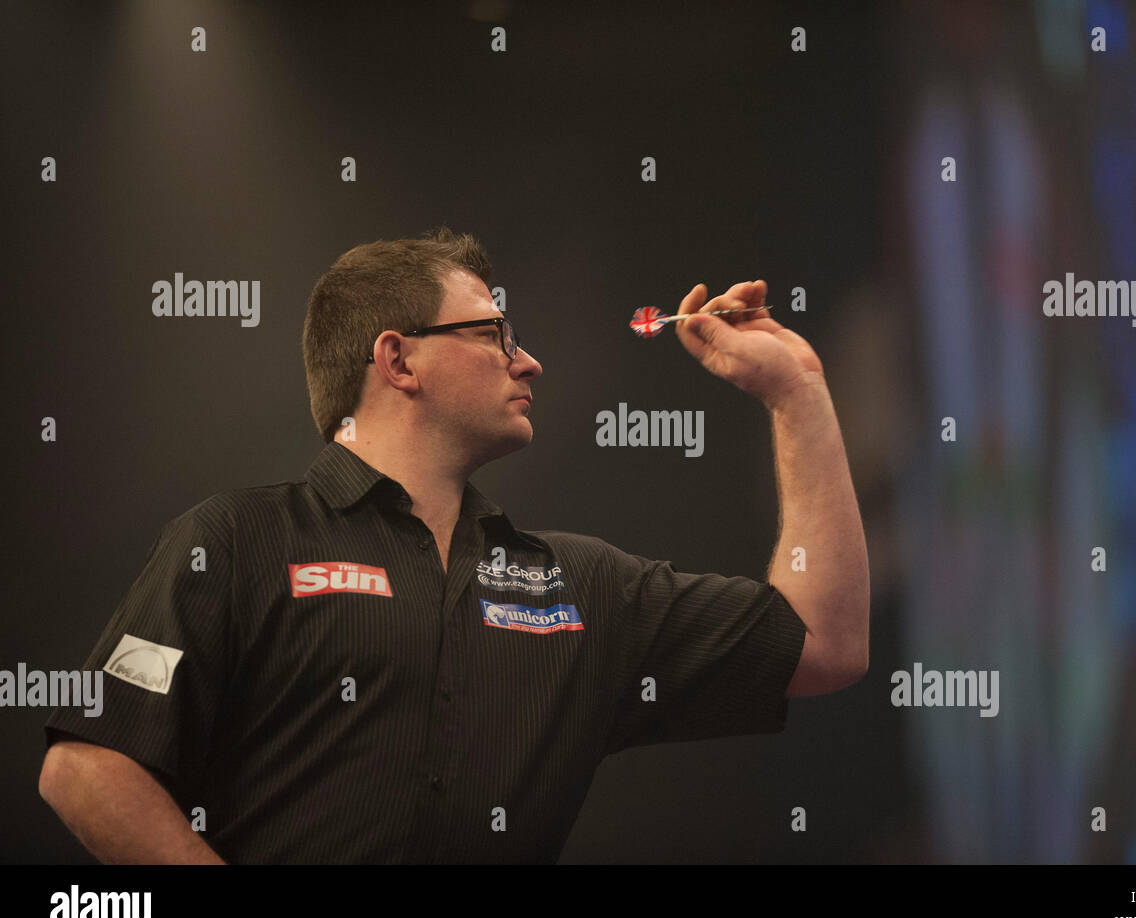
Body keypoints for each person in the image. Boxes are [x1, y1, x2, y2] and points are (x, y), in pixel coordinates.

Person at [38, 227, 870, 863]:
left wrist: (797, 394)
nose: (529, 361)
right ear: (398, 359)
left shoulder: (578, 587)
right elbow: (86, 765)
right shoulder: (235, 540)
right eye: (495, 334)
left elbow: (825, 642)